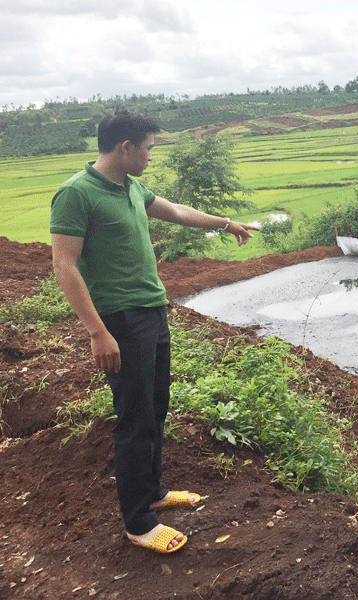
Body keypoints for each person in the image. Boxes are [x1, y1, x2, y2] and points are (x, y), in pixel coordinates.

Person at [50, 107, 259, 553]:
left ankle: (155, 492)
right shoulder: (77, 194)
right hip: (120, 320)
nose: (150, 157)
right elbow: (63, 266)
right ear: (125, 147)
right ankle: (138, 522)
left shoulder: (131, 186)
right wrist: (96, 332)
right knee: (135, 418)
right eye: (147, 148)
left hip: (151, 310)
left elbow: (179, 212)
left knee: (155, 406)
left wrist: (226, 223)